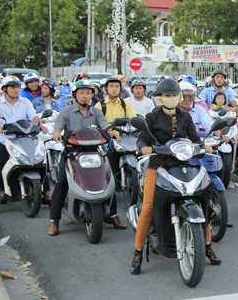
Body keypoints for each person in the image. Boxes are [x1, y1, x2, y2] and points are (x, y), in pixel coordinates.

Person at [131, 79, 219, 274]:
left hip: (183, 164)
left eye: (174, 95)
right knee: (148, 208)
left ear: (179, 96)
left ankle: (207, 245)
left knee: (204, 203)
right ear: (160, 98)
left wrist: (205, 145)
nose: (171, 99)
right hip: (158, 165)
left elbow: (195, 138)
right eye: (167, 95)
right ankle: (137, 253)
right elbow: (142, 137)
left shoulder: (185, 117)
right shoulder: (151, 117)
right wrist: (143, 147)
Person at [47, 80, 120, 235]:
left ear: (93, 95)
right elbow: (57, 128)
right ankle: (54, 220)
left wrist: (111, 131)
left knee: (109, 180)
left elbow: (105, 126)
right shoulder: (65, 112)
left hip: (95, 151)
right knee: (61, 184)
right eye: (82, 93)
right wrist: (56, 133)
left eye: (88, 93)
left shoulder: (97, 112)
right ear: (75, 95)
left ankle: (113, 215)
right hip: (72, 152)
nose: (85, 96)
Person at [0, 76, 45, 217]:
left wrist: (39, 124)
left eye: (18, 87)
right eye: (12, 87)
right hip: (3, 139)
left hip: (24, 138)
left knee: (39, 161)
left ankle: (47, 194)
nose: (16, 90)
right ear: (5, 89)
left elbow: (33, 117)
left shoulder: (25, 101)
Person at [94, 76, 135, 229]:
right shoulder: (100, 105)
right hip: (106, 138)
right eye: (111, 86)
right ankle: (111, 180)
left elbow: (133, 119)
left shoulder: (125, 103)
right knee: (108, 155)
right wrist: (109, 131)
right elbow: (97, 124)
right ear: (106, 89)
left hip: (124, 136)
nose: (114, 89)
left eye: (117, 87)